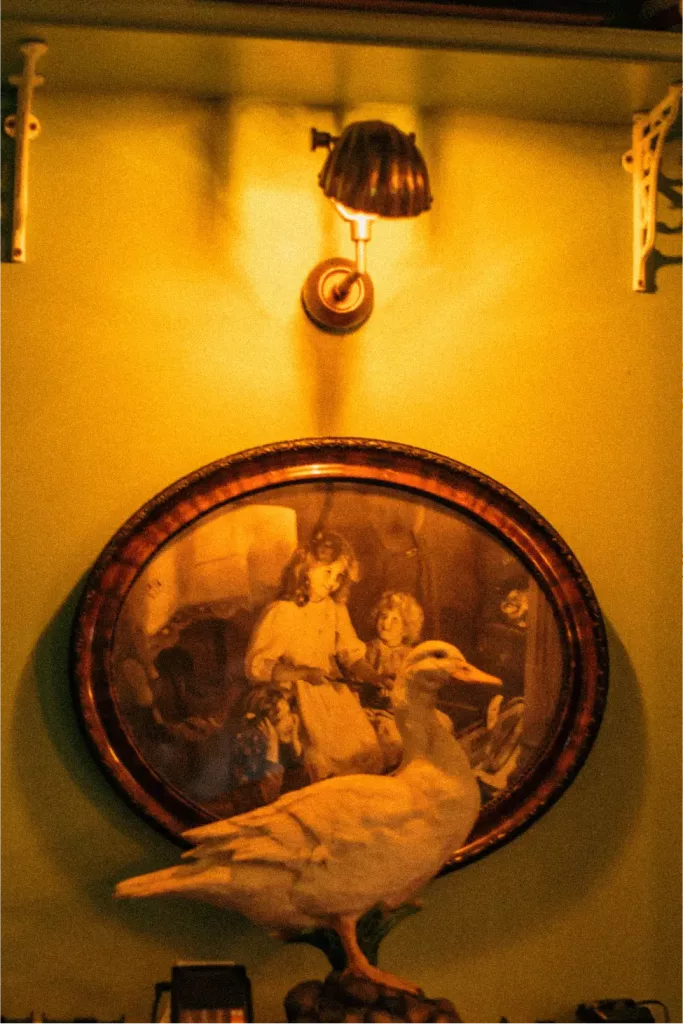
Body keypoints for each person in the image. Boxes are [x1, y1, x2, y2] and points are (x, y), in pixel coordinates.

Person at [244, 530, 384, 782]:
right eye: (327, 572)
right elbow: (257, 667)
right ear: (305, 568)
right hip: (296, 696)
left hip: (332, 692)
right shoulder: (283, 612)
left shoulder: (335, 609)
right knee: (323, 761)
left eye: (339, 575)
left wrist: (373, 676)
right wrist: (303, 674)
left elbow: (351, 652)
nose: (332, 582)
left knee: (366, 751)